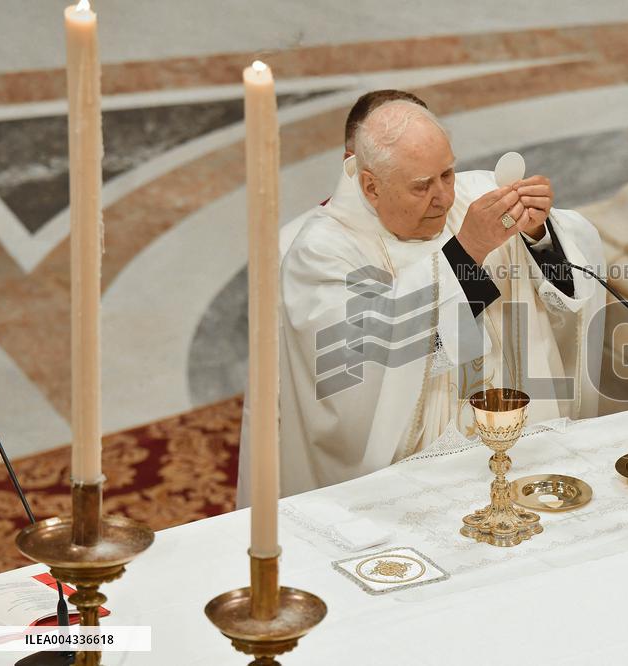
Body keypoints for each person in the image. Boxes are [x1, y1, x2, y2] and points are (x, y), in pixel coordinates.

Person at [237, 100, 606, 502]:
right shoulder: (321, 252)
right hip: (415, 480)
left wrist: (539, 234)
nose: (444, 198)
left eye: (447, 173)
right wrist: (467, 252)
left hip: (521, 447)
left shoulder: (477, 195)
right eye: (421, 185)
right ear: (370, 186)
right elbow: (353, 376)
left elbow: (569, 279)